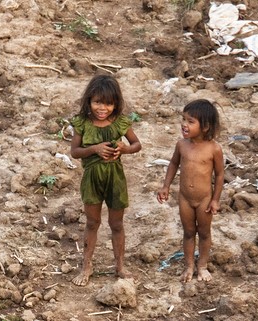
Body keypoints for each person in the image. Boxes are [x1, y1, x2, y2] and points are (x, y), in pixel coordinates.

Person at [70, 74, 141, 286]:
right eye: (97, 102)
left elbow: (137, 144)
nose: (103, 108)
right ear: (89, 101)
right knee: (92, 222)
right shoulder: (82, 123)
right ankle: (87, 265)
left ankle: (119, 266)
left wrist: (124, 149)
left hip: (115, 179)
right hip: (92, 179)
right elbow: (74, 152)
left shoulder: (120, 123)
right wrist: (94, 149)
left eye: (108, 104)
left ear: (116, 104)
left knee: (116, 223)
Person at [157, 99, 224, 283]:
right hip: (185, 198)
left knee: (204, 232)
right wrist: (166, 186)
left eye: (190, 121)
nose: (184, 124)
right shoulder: (182, 145)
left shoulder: (214, 149)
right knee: (188, 232)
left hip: (204, 199)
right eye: (183, 119)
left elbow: (219, 175)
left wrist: (215, 199)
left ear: (205, 126)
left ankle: (202, 266)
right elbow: (173, 164)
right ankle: (189, 266)